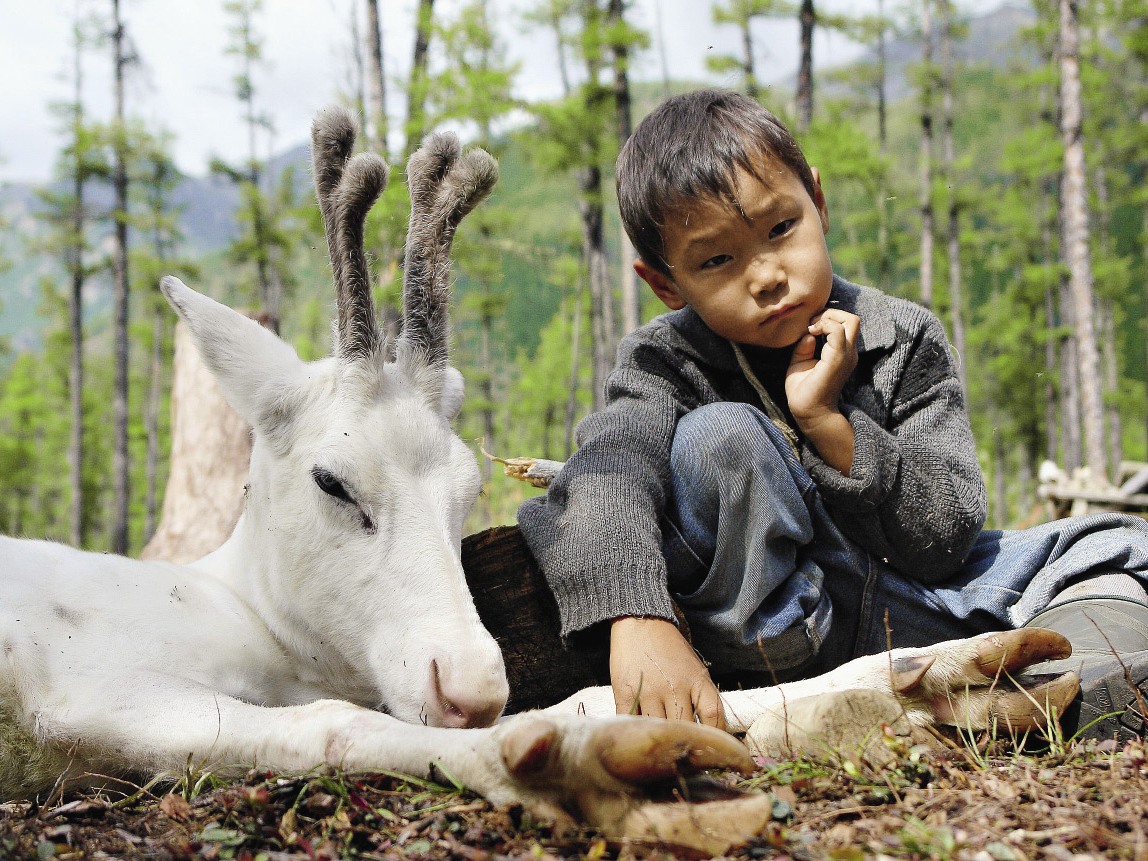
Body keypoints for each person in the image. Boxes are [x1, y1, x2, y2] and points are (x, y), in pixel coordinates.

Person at [517, 88, 1148, 742]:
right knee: (722, 439)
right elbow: (601, 479)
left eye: (780, 228)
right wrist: (636, 617)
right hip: (774, 634)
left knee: (1109, 544)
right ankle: (901, 699)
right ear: (667, 283)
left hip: (914, 605)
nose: (765, 274)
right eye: (716, 259)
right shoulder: (664, 362)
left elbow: (947, 543)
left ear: (817, 202)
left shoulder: (901, 336)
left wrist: (830, 426)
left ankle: (1086, 684)